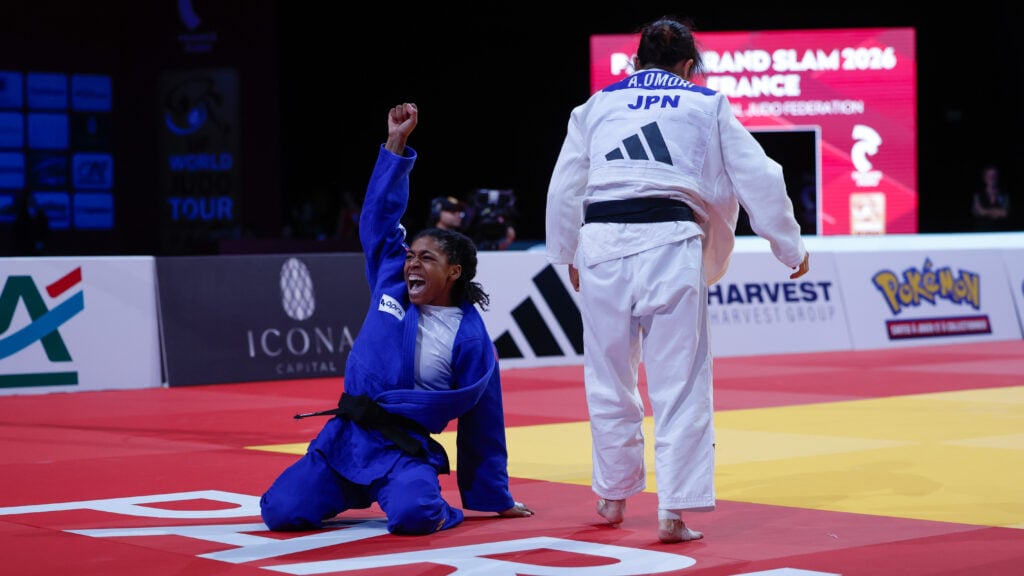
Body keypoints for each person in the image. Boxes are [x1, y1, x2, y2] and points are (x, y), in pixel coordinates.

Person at [545, 16, 809, 544]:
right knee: (680, 382)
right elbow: (761, 176)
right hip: (670, 242)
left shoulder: (595, 106)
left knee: (608, 376)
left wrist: (567, 250)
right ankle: (673, 512)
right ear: (689, 66)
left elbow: (565, 186)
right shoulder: (706, 103)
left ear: (635, 62)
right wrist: (789, 246)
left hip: (602, 243)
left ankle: (612, 495)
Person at [260, 102, 534, 535]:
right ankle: (340, 490)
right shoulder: (391, 283)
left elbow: (484, 423)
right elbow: (378, 220)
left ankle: (437, 508)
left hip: (405, 450)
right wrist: (395, 142)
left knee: (415, 516)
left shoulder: (470, 339)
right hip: (347, 439)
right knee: (279, 511)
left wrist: (495, 499)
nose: (412, 264)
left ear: (454, 272)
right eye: (411, 256)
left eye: (426, 258)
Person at [970, 163, 1010, 231]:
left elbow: (1005, 213)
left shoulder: (1004, 194)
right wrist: (996, 212)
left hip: (1001, 231)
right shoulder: (978, 195)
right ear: (984, 178)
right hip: (983, 231)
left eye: (994, 175)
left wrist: (985, 211)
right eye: (989, 176)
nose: (991, 178)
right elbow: (978, 212)